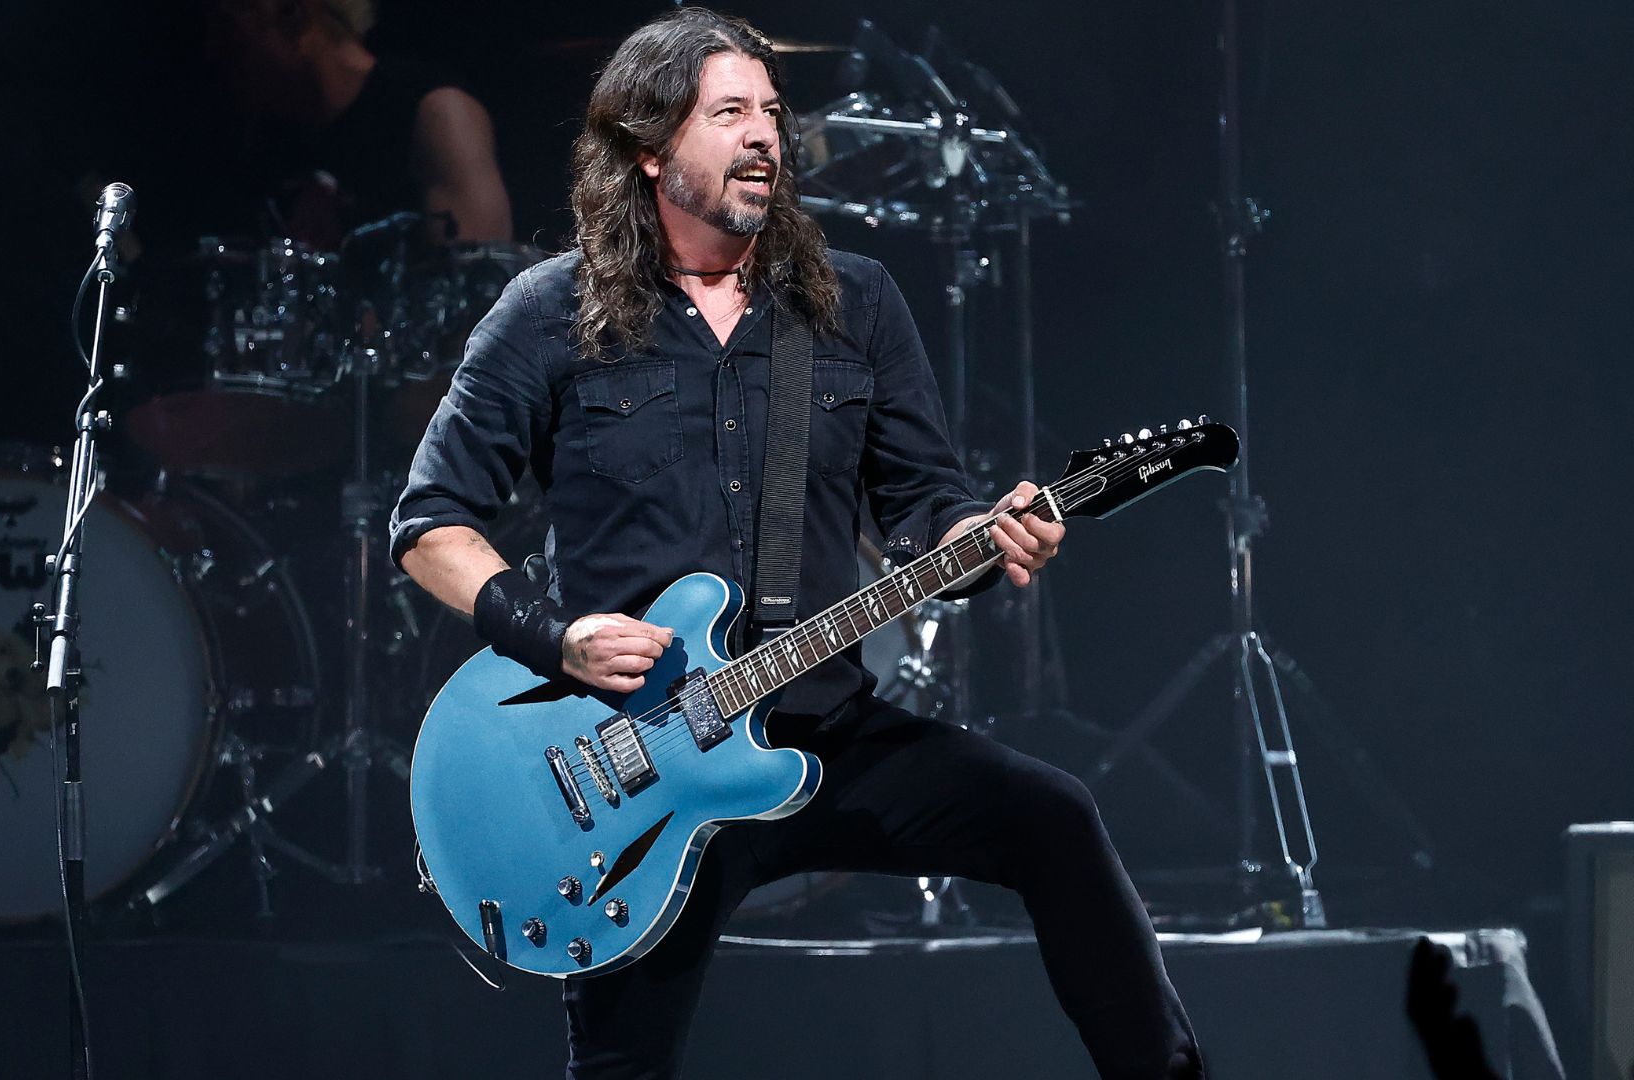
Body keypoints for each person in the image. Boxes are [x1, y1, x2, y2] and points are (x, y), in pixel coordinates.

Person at [389, 9, 1202, 1078]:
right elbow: (429, 525)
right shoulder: (547, 312)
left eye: (772, 112)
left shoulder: (853, 302)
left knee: (1053, 817)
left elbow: (925, 503)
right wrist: (557, 638)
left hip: (823, 732)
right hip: (635, 775)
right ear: (651, 147)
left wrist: (982, 535)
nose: (765, 134)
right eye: (729, 112)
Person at [203, 0, 511, 246]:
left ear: (293, 15)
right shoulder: (260, 137)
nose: (213, 50)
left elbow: (477, 286)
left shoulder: (434, 114)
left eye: (229, 27)